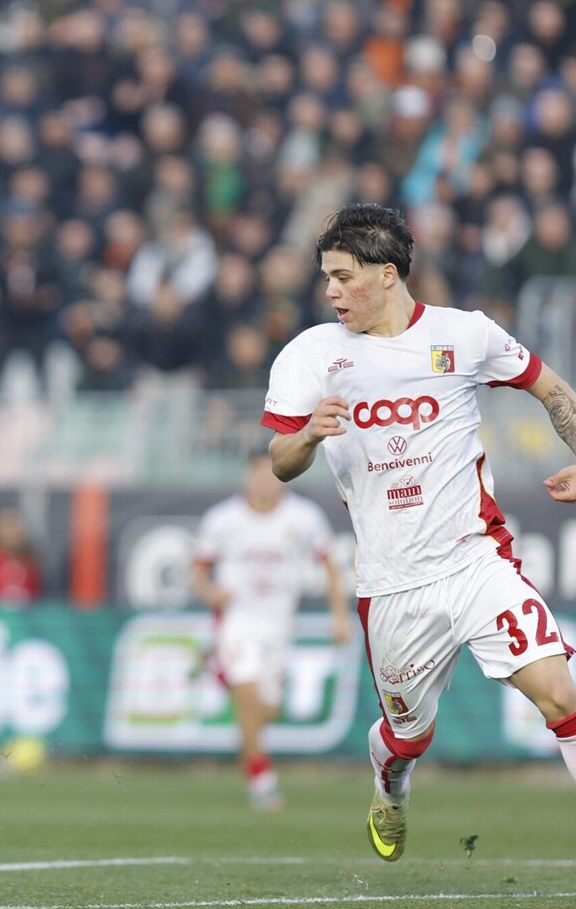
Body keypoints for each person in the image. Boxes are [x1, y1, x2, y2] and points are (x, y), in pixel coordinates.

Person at [262, 202, 576, 861]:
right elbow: (281, 462)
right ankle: (390, 782)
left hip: (477, 560)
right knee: (409, 737)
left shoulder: (465, 335)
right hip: (393, 583)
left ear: (386, 274)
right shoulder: (311, 354)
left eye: (343, 277)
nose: (331, 292)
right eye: (326, 278)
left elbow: (552, 390)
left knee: (561, 693)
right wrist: (310, 435)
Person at [190, 450, 349, 811]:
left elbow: (330, 564)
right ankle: (262, 780)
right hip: (237, 621)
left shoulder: (304, 517)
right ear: (247, 477)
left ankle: (216, 669)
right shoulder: (223, 519)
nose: (264, 481)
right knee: (248, 699)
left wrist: (339, 618)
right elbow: (198, 570)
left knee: (267, 712)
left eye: (270, 474)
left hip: (279, 625)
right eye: (257, 474)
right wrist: (211, 592)